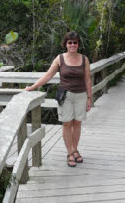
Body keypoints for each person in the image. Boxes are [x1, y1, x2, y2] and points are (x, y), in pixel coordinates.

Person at [25, 31, 92, 167]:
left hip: (81, 95)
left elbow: (87, 79)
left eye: (75, 42)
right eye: (70, 42)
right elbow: (48, 75)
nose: (72, 45)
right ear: (66, 44)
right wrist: (33, 86)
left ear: (78, 44)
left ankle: (75, 149)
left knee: (77, 123)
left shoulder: (84, 59)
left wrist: (90, 98)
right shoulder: (60, 58)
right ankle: (69, 153)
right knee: (67, 123)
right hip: (65, 95)